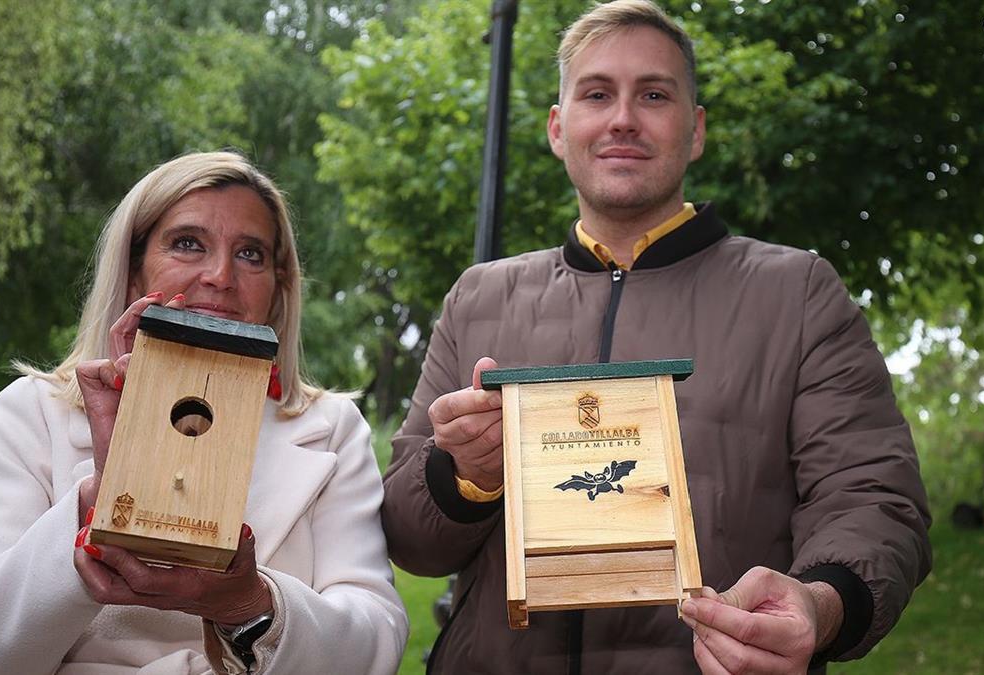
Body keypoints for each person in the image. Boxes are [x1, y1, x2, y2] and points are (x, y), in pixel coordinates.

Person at [381, 1, 931, 673]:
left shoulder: (799, 293)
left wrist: (821, 603)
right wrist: (464, 475)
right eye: (596, 94)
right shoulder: (480, 298)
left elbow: (874, 496)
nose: (622, 118)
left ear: (694, 130)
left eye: (653, 94)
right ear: (558, 128)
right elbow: (409, 537)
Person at [0, 152, 407, 674]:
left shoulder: (333, 429)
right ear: (133, 269)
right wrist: (101, 497)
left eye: (250, 254)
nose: (220, 276)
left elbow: (376, 643)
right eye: (188, 243)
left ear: (278, 288)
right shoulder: (32, 412)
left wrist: (249, 606)